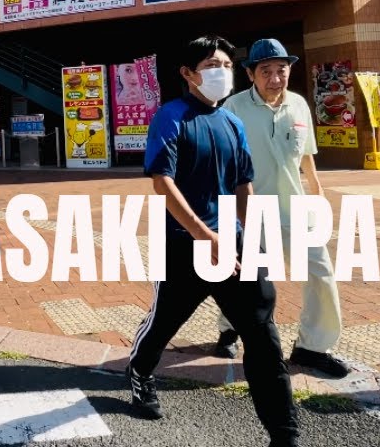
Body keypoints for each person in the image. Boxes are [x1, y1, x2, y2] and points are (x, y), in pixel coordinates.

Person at [127, 35, 298, 447]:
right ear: (187, 74)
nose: (220, 72)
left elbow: (244, 184)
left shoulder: (232, 122)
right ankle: (140, 373)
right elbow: (161, 182)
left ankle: (284, 433)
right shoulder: (172, 117)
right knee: (164, 323)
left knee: (262, 336)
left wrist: (257, 236)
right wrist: (204, 235)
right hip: (185, 246)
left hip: (235, 248)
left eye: (224, 64)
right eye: (210, 66)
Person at [214, 38, 351, 378]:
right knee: (244, 277)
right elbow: (222, 162)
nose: (275, 78)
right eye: (266, 72)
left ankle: (312, 347)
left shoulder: (300, 105)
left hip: (295, 207)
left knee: (321, 273)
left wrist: (316, 190)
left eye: (281, 70)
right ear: (250, 74)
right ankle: (228, 328)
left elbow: (306, 154)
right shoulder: (232, 108)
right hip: (248, 209)